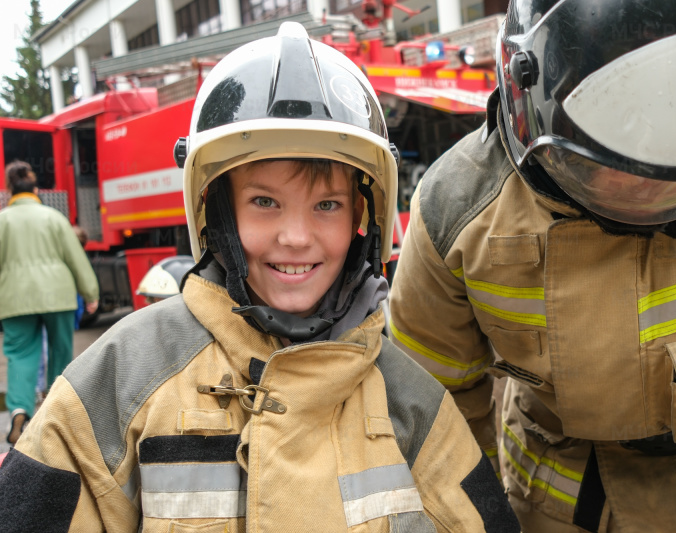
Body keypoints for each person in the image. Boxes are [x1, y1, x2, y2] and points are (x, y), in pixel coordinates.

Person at [0, 23, 520, 532]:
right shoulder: (125, 377)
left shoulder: (411, 400)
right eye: (264, 202)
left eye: (327, 205)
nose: (295, 236)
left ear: (363, 221)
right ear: (218, 215)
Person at [388, 1, 676, 531]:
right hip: (544, 498)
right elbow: (434, 419)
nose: (655, 190)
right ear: (530, 96)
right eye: (622, 160)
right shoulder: (455, 212)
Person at [0, 161, 99, 445]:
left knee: (20, 354)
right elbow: (75, 258)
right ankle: (55, 410)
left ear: (9, 190)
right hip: (58, 295)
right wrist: (90, 293)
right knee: (60, 349)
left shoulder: (2, 220)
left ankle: (19, 409)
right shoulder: (53, 218)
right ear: (36, 189)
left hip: (15, 297)